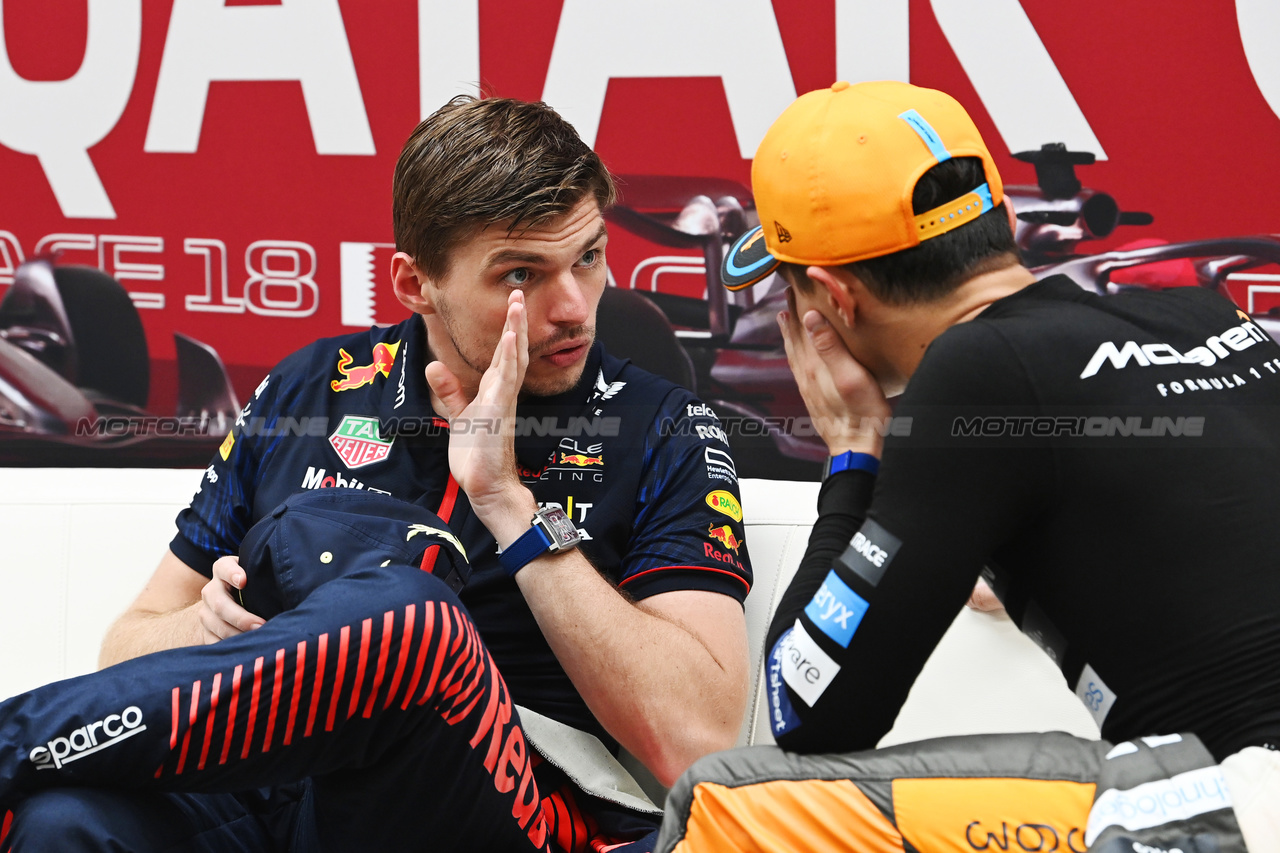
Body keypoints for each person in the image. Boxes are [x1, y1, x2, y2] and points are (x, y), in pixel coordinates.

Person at [0, 95, 752, 852]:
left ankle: (9, 742)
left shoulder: (663, 426)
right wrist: (206, 627)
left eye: (588, 257)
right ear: (415, 284)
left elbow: (698, 739)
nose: (572, 307)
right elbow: (125, 644)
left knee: (412, 620)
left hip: (503, 802)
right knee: (60, 824)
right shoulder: (309, 390)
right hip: (276, 795)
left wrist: (511, 508)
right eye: (521, 274)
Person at [655, 81, 1279, 851]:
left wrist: (854, 451)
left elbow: (806, 708)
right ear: (1005, 223)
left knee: (728, 805)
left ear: (834, 300)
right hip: (1228, 794)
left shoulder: (979, 370)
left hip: (1250, 800)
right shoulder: (1205, 314)